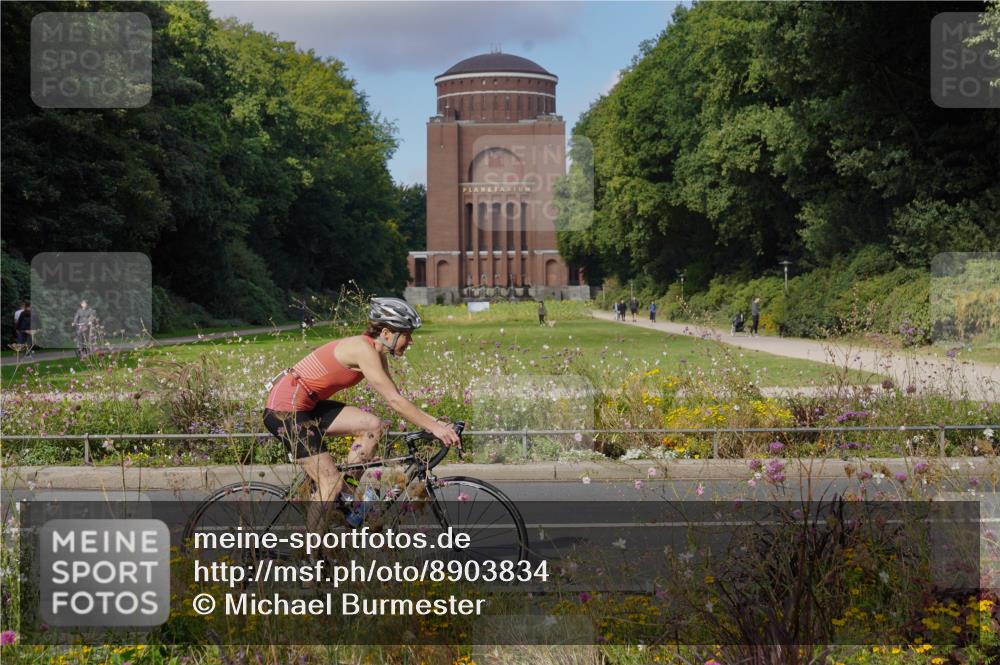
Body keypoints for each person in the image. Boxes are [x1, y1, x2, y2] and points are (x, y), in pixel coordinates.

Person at [262, 297, 460, 530]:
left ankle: (345, 497)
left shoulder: (377, 352)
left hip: (308, 407)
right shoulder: (362, 349)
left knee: (373, 425)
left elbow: (396, 395)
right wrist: (435, 428)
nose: (411, 340)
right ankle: (310, 555)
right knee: (330, 483)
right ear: (387, 333)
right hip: (284, 411)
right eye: (407, 334)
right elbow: (394, 401)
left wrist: (438, 423)